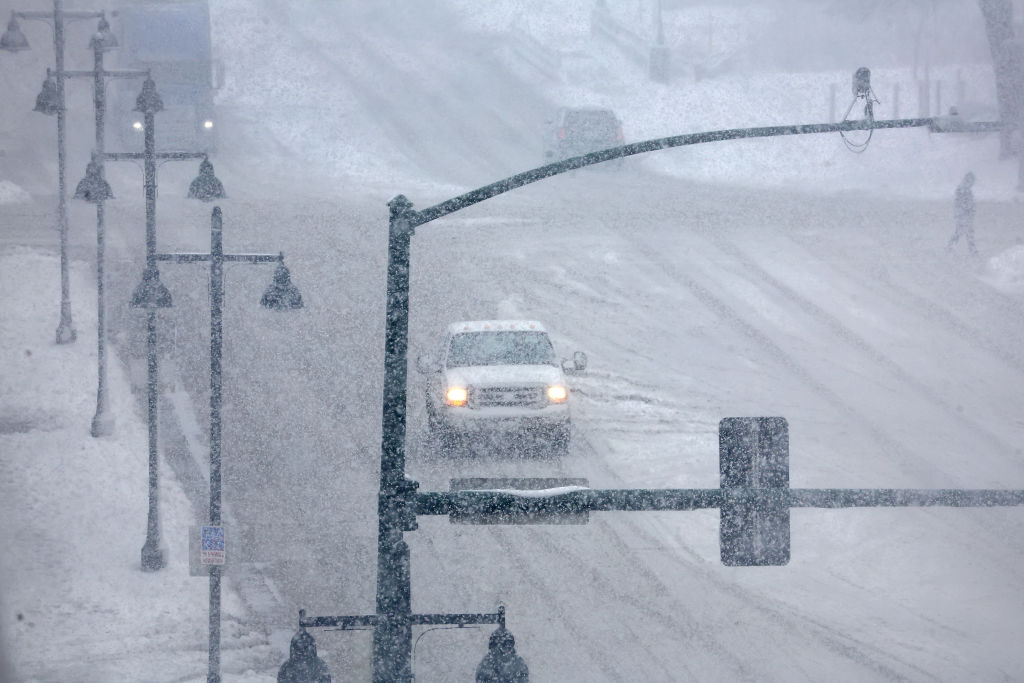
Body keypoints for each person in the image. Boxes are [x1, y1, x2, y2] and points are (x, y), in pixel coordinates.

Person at [947, 172, 977, 255]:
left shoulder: (965, 189)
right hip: (963, 216)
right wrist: (968, 210)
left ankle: (951, 247)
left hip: (964, 215)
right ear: (968, 180)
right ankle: (972, 250)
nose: (973, 183)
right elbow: (962, 203)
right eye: (972, 181)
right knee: (966, 233)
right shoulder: (963, 189)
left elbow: (964, 203)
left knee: (962, 232)